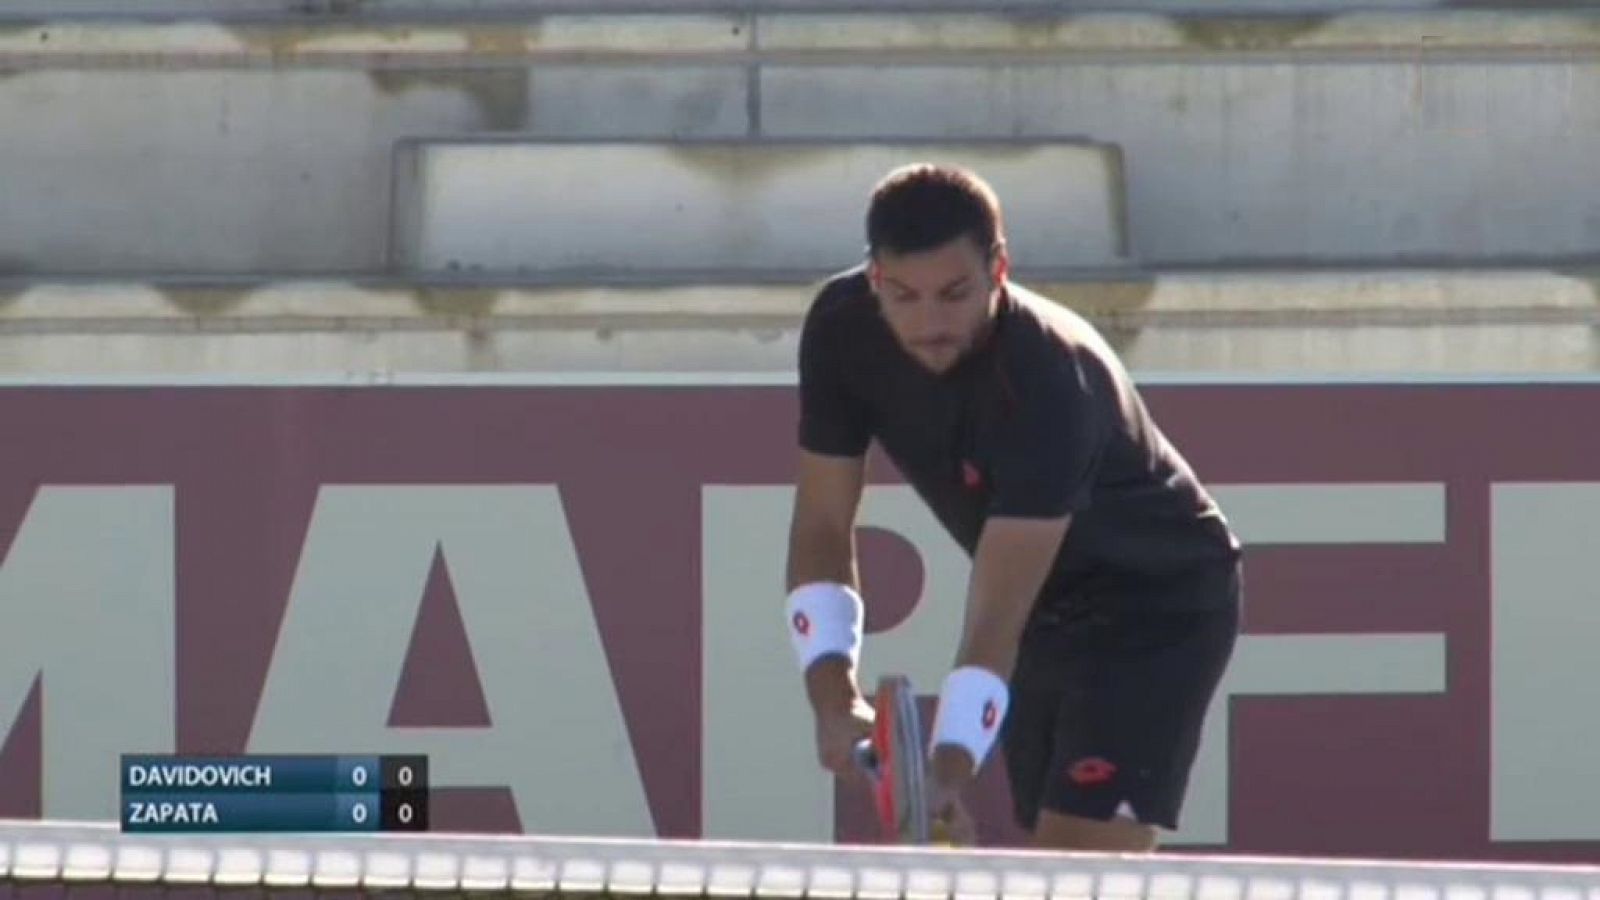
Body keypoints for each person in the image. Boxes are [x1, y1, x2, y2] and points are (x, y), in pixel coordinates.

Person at [781, 163, 1243, 852]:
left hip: (1158, 606)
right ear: (874, 277)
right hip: (1046, 614)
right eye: (903, 295)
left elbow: (997, 617)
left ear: (1000, 269)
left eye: (954, 293)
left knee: (1078, 864)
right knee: (1043, 866)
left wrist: (942, 770)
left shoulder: (1050, 379)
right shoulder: (841, 327)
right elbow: (821, 524)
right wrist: (830, 698)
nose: (929, 322)